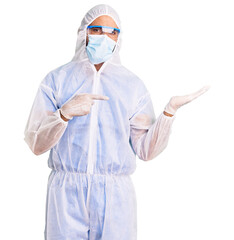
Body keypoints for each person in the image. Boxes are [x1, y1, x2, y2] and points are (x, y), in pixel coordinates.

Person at [24, 4, 209, 240]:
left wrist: (169, 112)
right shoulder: (57, 81)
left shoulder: (132, 86)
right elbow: (36, 144)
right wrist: (64, 114)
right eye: (97, 30)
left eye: (113, 32)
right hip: (66, 193)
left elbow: (145, 150)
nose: (105, 38)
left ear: (119, 38)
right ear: (84, 33)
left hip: (116, 199)